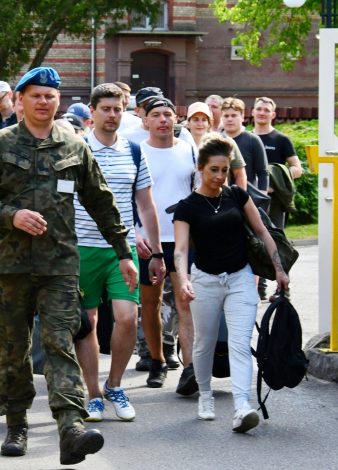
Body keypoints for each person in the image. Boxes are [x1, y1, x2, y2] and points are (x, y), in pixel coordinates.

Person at [0, 67, 136, 465]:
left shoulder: (73, 146)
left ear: (58, 101)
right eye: (36, 95)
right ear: (20, 100)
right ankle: (17, 423)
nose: (44, 102)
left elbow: (102, 202)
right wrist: (10, 215)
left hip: (60, 266)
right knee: (14, 349)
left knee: (60, 343)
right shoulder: (0, 145)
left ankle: (70, 426)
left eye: (50, 96)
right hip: (10, 268)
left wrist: (123, 252)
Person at [172, 134, 289, 432]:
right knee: (204, 345)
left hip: (240, 279)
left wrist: (279, 269)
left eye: (225, 170)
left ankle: (242, 406)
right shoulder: (187, 207)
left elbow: (263, 232)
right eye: (214, 169)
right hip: (205, 281)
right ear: (200, 168)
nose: (220, 176)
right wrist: (184, 280)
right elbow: (181, 250)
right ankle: (206, 396)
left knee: (239, 344)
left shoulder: (238, 195)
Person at [73, 83, 164, 423]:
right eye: (106, 109)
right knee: (88, 323)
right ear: (92, 112)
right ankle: (93, 394)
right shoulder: (77, 148)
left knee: (127, 318)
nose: (112, 115)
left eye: (118, 109)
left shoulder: (134, 151)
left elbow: (146, 204)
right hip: (81, 248)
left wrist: (155, 252)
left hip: (120, 252)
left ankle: (115, 385)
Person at [135, 96, 197, 390]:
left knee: (185, 301)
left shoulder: (188, 150)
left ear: (176, 119)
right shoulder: (137, 152)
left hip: (183, 240)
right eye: (156, 115)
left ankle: (190, 369)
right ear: (145, 121)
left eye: (168, 114)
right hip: (149, 241)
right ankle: (157, 360)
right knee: (151, 303)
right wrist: (133, 234)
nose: (163, 119)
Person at [251, 96, 303, 228]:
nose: (262, 113)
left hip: (274, 201)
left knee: (276, 241)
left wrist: (276, 180)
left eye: (266, 110)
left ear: (273, 114)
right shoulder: (246, 138)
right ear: (253, 112)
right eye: (259, 109)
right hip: (249, 198)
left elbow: (297, 169)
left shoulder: (282, 140)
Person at [186, 102, 248, 190]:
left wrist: (240, 200)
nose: (200, 123)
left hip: (219, 197)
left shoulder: (224, 141)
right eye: (195, 119)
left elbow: (240, 174)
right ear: (188, 122)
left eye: (204, 119)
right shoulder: (181, 145)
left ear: (209, 123)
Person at [221, 97, 268, 192]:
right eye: (226, 116)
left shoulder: (253, 140)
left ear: (242, 117)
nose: (229, 119)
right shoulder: (216, 140)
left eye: (234, 115)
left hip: (248, 197)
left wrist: (263, 200)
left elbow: (263, 173)